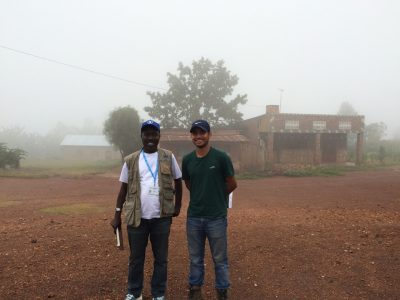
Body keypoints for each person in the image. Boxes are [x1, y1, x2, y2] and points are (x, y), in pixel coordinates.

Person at [110, 120, 182, 300]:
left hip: (162, 218)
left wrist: (178, 205)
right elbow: (123, 190)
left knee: (161, 259)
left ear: (159, 136)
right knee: (136, 259)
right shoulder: (131, 160)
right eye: (146, 134)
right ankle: (135, 293)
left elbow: (178, 181)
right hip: (137, 218)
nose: (150, 137)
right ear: (141, 136)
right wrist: (117, 215)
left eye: (154, 134)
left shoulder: (168, 156)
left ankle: (158, 294)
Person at [182, 120, 237, 300]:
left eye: (202, 132)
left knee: (220, 260)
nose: (198, 136)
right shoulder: (187, 160)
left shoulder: (221, 157)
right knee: (195, 259)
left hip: (216, 218)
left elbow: (232, 183)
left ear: (209, 134)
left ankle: (222, 291)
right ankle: (195, 291)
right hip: (194, 218)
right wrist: (202, 194)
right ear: (192, 136)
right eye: (195, 133)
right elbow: (189, 184)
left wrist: (217, 197)